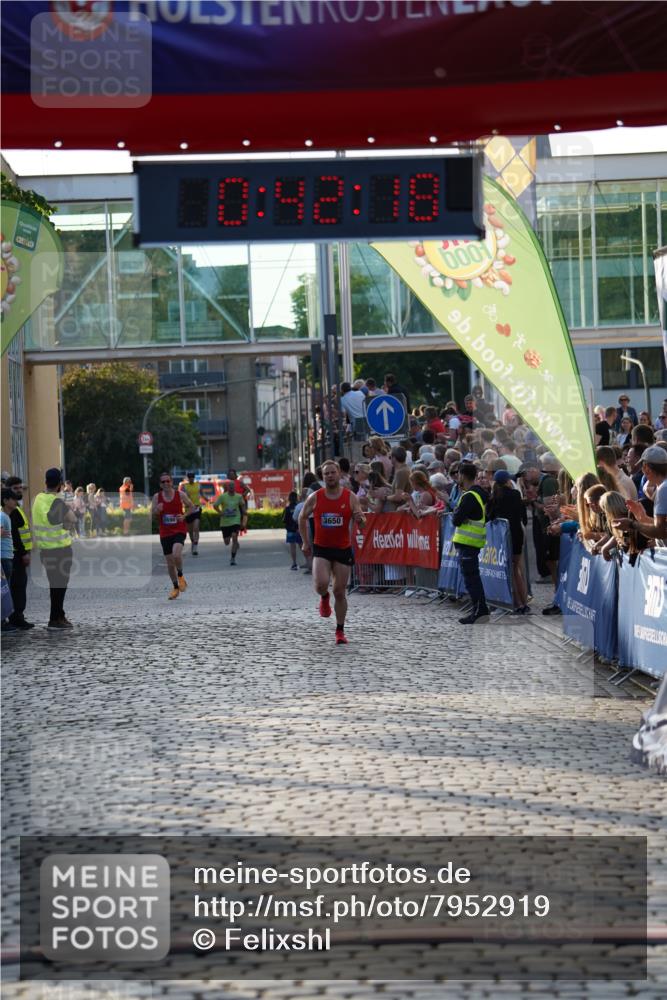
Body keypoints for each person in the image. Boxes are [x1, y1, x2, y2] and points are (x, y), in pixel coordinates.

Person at [298, 459, 366, 645]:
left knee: (339, 591)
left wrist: (360, 520)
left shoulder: (350, 497)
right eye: (326, 473)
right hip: (322, 548)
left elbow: (362, 522)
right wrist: (305, 542)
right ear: (323, 476)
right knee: (321, 584)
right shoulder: (316, 497)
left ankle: (340, 631)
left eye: (332, 472)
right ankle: (323, 597)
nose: (329, 476)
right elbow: (302, 517)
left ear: (339, 474)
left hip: (342, 549)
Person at [32, 468, 77, 629]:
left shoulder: (37, 499)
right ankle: (55, 618)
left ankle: (58, 615)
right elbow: (73, 518)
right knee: (60, 585)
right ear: (59, 484)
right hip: (61, 549)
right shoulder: (57, 500)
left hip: (45, 550)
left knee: (54, 585)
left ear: (45, 482)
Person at [452, 462, 489, 625]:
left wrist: (457, 514)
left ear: (462, 475)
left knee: (472, 580)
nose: (457, 477)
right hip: (472, 544)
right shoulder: (478, 493)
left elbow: (456, 520)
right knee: (472, 579)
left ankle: (480, 612)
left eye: (458, 474)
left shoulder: (469, 496)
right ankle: (479, 610)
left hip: (468, 544)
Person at [487, 470, 529, 614]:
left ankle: (517, 603)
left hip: (502, 538)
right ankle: (522, 603)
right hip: (516, 535)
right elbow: (522, 515)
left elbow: (489, 516)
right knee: (515, 569)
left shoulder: (495, 497)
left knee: (510, 570)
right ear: (507, 481)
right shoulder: (515, 495)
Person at [151, 472, 194, 599]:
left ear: (171, 482)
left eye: (167, 481)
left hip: (179, 529)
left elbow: (192, 507)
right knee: (170, 563)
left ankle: (180, 576)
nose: (165, 483)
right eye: (163, 482)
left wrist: (184, 515)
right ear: (160, 484)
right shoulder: (156, 497)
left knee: (176, 554)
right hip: (165, 532)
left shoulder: (180, 494)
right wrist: (156, 510)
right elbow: (151, 514)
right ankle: (175, 587)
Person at [613, 445, 667, 546]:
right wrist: (643, 518)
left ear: (646, 468)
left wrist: (632, 524)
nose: (642, 471)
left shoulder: (664, 489)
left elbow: (660, 532)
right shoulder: (663, 487)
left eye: (642, 467)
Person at [4, 477, 34, 629]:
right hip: (15, 554)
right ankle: (16, 617)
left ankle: (16, 616)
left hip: (18, 553)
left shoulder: (16, 508)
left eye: (21, 488)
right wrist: (23, 553)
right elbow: (15, 534)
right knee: (17, 587)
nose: (19, 491)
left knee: (18, 586)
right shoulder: (11, 510)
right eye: (15, 489)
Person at [213, 478, 246, 565]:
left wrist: (244, 520)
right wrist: (220, 512)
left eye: (233, 486)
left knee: (235, 537)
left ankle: (232, 558)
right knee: (227, 542)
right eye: (230, 486)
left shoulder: (239, 496)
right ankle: (231, 538)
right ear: (227, 487)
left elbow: (243, 508)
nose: (231, 487)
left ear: (234, 487)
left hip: (235, 520)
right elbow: (215, 505)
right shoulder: (223, 496)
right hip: (225, 522)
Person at [179, 472, 206, 556]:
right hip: (188, 510)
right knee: (190, 531)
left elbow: (202, 494)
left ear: (194, 478)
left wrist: (208, 500)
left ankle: (195, 546)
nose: (191, 479)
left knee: (196, 527)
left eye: (192, 477)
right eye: (189, 477)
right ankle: (193, 543)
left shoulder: (198, 485)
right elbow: (182, 498)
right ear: (187, 478)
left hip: (197, 509)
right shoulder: (184, 486)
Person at [1, 489, 16, 631]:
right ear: (5, 501)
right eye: (12, 499)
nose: (15, 501)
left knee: (5, 590)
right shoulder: (2, 516)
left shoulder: (6, 516)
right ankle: (2, 622)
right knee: (4, 590)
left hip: (7, 556)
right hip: (3, 557)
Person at [283, 490, 303, 570]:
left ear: (289, 499)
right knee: (302, 545)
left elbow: (284, 520)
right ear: (297, 498)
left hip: (290, 530)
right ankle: (308, 562)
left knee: (292, 547)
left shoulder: (287, 508)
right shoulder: (299, 507)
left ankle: (294, 563)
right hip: (299, 529)